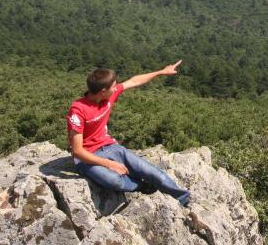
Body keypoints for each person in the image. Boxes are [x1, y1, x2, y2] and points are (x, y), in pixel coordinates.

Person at [66, 60, 191, 207]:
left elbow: (134, 81)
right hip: (88, 157)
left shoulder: (108, 95)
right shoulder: (78, 110)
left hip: (111, 147)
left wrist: (161, 72)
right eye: (114, 86)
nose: (116, 87)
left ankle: (183, 198)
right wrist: (109, 164)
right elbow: (77, 151)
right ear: (103, 91)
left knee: (154, 173)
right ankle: (139, 186)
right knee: (113, 180)